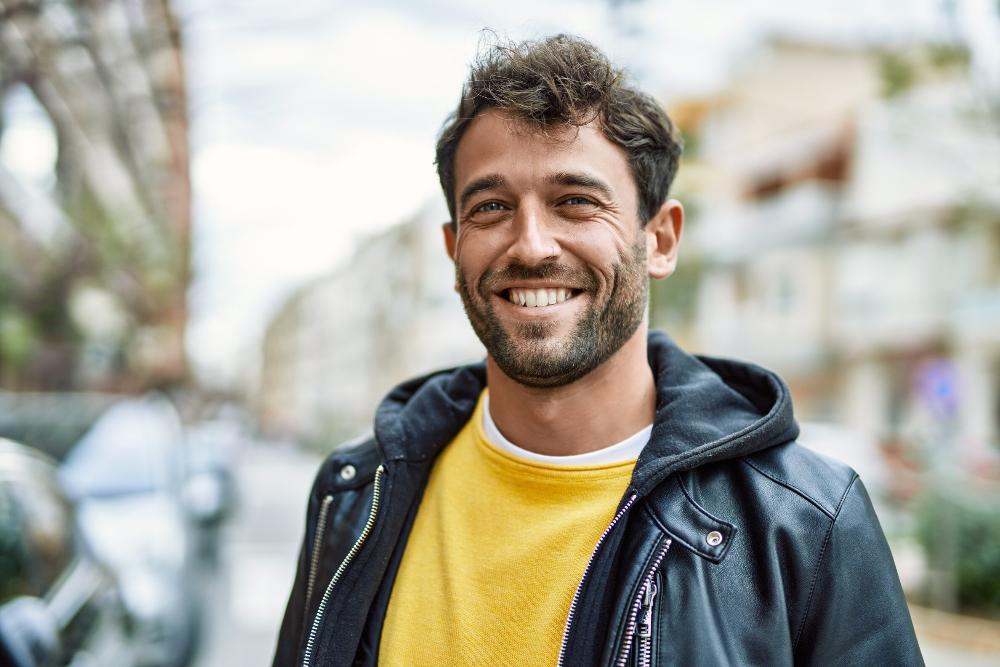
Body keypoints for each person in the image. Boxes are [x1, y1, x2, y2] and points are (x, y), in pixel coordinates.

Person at [274, 34, 923, 666]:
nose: (531, 245)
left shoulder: (804, 524)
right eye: (492, 206)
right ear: (452, 251)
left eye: (576, 202)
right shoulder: (355, 496)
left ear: (661, 239)